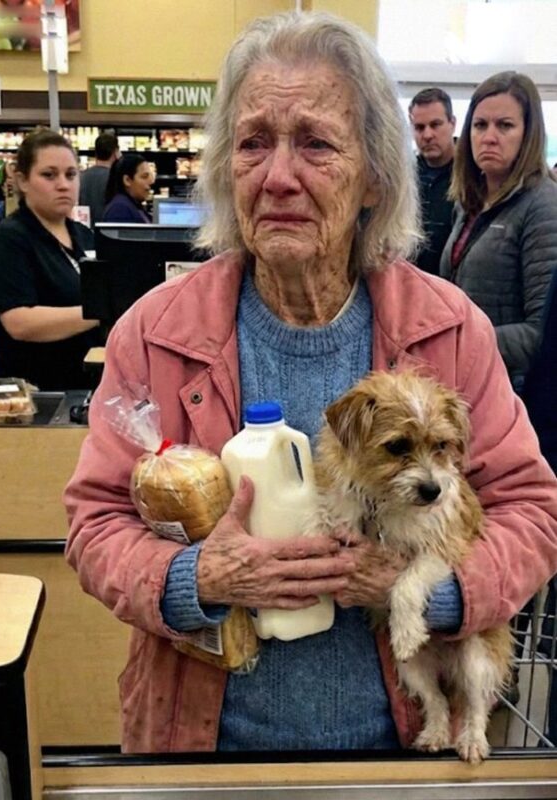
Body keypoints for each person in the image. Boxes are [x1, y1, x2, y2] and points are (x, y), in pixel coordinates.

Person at [64, 12, 557, 753]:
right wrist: (197, 578)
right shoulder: (157, 331)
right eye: (253, 142)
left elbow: (532, 510)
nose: (278, 175)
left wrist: (427, 592)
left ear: (374, 178)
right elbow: (95, 523)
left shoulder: (448, 330)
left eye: (316, 144)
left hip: (403, 752)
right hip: (204, 747)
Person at [439, 71, 557, 393]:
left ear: (528, 134)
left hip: (510, 390)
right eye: (480, 125)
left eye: (504, 126)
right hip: (465, 380)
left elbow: (542, 333)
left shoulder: (544, 206)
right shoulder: (470, 202)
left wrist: (460, 341)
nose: (489, 137)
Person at [0, 128, 101, 390]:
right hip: (31, 394)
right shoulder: (7, 239)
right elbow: (20, 323)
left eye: (71, 174)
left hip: (81, 386)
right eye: (49, 175)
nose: (63, 184)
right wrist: (102, 311)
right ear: (23, 181)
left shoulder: (84, 235)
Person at [409, 87, 456, 275]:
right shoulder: (405, 177)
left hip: (453, 285)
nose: (427, 135)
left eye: (435, 125)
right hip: (410, 281)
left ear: (452, 123)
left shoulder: (473, 176)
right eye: (419, 127)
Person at [79, 131, 120, 226]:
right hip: (108, 230)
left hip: (84, 229)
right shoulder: (116, 179)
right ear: (115, 153)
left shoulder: (81, 177)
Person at [102, 153, 154, 223]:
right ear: (127, 180)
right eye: (144, 176)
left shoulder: (132, 205)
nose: (151, 181)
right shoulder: (119, 209)